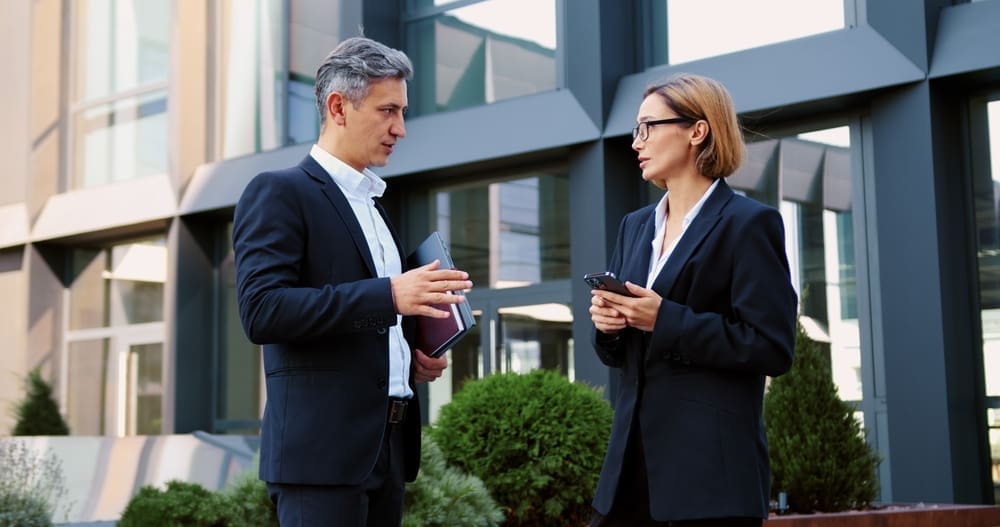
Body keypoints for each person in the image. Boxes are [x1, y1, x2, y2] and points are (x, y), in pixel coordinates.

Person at [232, 36, 473, 526]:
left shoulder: (375, 206)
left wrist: (409, 356)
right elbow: (263, 310)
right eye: (389, 111)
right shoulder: (279, 192)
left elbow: (365, 320)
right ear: (338, 108)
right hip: (319, 460)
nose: (401, 129)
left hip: (387, 450)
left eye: (402, 113)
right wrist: (391, 294)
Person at [587, 73, 798, 526]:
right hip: (629, 475)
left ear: (697, 131)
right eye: (635, 130)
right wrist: (609, 326)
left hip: (710, 482)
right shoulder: (636, 225)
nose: (636, 141)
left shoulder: (749, 224)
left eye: (648, 127)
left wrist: (665, 319)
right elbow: (624, 356)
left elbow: (771, 346)